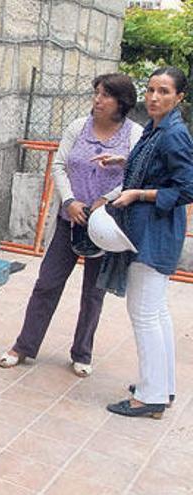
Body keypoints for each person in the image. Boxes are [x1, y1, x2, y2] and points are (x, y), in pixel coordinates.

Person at [0, 73, 142, 377]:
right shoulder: (78, 127)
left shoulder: (134, 136)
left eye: (105, 95)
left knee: (93, 292)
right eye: (96, 93)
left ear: (122, 102)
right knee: (47, 283)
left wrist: (107, 198)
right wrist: (69, 200)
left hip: (105, 227)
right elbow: (60, 165)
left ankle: (82, 352)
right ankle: (24, 346)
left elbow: (136, 176)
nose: (97, 100)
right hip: (70, 221)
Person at [95, 67, 193, 418]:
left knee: (145, 313)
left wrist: (137, 192)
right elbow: (160, 169)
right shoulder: (156, 130)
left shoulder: (173, 135)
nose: (154, 97)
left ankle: (150, 397)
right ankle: (161, 387)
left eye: (164, 91)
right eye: (151, 90)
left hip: (155, 233)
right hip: (149, 231)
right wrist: (125, 160)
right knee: (156, 312)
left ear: (179, 97)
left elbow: (186, 189)